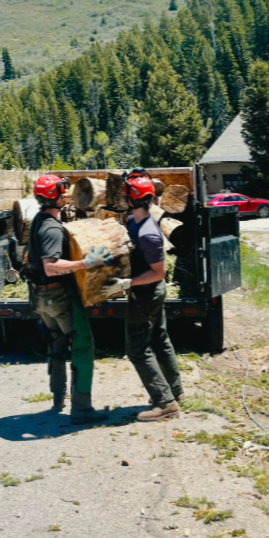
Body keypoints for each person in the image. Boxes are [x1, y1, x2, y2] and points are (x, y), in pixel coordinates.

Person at [26, 173, 113, 425]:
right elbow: (51, 266)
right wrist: (86, 263)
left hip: (40, 297)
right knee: (83, 346)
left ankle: (58, 397)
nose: (65, 196)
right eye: (61, 192)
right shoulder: (52, 228)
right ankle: (82, 409)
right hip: (57, 295)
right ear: (54, 197)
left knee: (57, 343)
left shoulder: (38, 221)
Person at [102, 169, 184, 422]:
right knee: (159, 338)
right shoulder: (134, 222)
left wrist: (127, 283)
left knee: (137, 348)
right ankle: (176, 391)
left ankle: (165, 403)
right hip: (145, 290)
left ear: (130, 199)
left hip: (147, 292)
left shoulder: (148, 232)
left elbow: (159, 272)